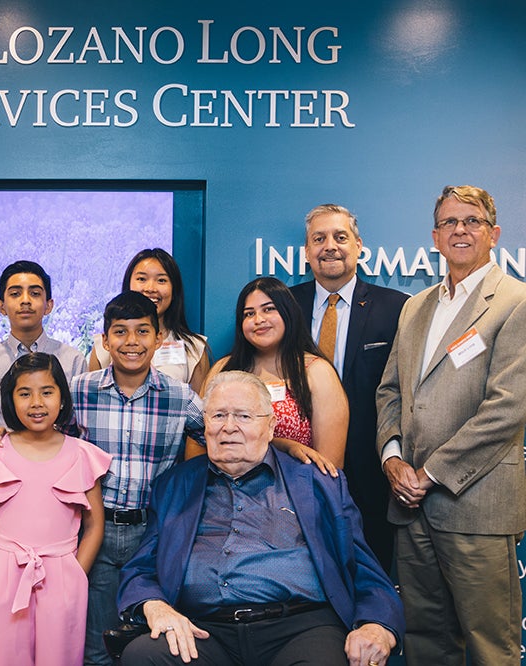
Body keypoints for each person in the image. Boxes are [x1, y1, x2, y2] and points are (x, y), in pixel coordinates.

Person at [0, 291, 205, 666]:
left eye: (142, 332)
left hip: (152, 532)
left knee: (150, 640)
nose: (131, 343)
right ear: (104, 339)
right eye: (120, 332)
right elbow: (42, 436)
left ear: (158, 338)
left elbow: (220, 434)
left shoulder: (179, 397)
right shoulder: (81, 390)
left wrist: (287, 446)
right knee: (92, 642)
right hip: (92, 530)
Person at [118, 371, 403, 666]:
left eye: (243, 416)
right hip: (204, 631)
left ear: (270, 427)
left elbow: (365, 570)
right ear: (204, 425)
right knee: (143, 656)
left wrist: (376, 625)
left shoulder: (318, 483)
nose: (228, 428)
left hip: (301, 627)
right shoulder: (176, 485)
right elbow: (140, 569)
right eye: (217, 416)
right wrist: (155, 606)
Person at [376, 185, 526, 665]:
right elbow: (390, 392)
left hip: (475, 505)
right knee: (425, 641)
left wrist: (430, 473)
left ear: (494, 234)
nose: (460, 230)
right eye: (449, 223)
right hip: (411, 506)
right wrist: (393, 457)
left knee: (490, 645)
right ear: (435, 238)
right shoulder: (415, 306)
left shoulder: (515, 302)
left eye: (472, 221)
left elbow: (506, 408)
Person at [0, 352, 111, 666]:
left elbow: (94, 523)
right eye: (24, 393)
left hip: (61, 577)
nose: (36, 403)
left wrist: (75, 573)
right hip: (5, 575)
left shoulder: (81, 454)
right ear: (10, 400)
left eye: (47, 391)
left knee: (59, 658)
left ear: (62, 396)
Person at [290, 204, 408, 571]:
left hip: (372, 472)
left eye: (340, 237)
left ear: (359, 246)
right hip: (297, 468)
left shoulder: (397, 308)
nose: (330, 246)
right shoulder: (284, 306)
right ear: (306, 252)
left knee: (373, 573)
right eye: (319, 239)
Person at [205, 277, 347, 470]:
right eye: (249, 314)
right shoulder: (224, 369)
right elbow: (198, 440)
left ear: (288, 313)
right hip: (227, 492)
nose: (259, 320)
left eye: (269, 309)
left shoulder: (317, 371)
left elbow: (329, 466)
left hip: (295, 492)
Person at [0, 260, 87, 448]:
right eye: (15, 294)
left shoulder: (73, 360)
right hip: (3, 469)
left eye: (35, 293)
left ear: (49, 305)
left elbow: (80, 433)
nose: (25, 300)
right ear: (1, 306)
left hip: (59, 468)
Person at [90, 249, 210, 393]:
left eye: (161, 280)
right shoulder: (102, 346)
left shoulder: (194, 348)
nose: (150, 288)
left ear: (174, 290)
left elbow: (201, 409)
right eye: (141, 279)